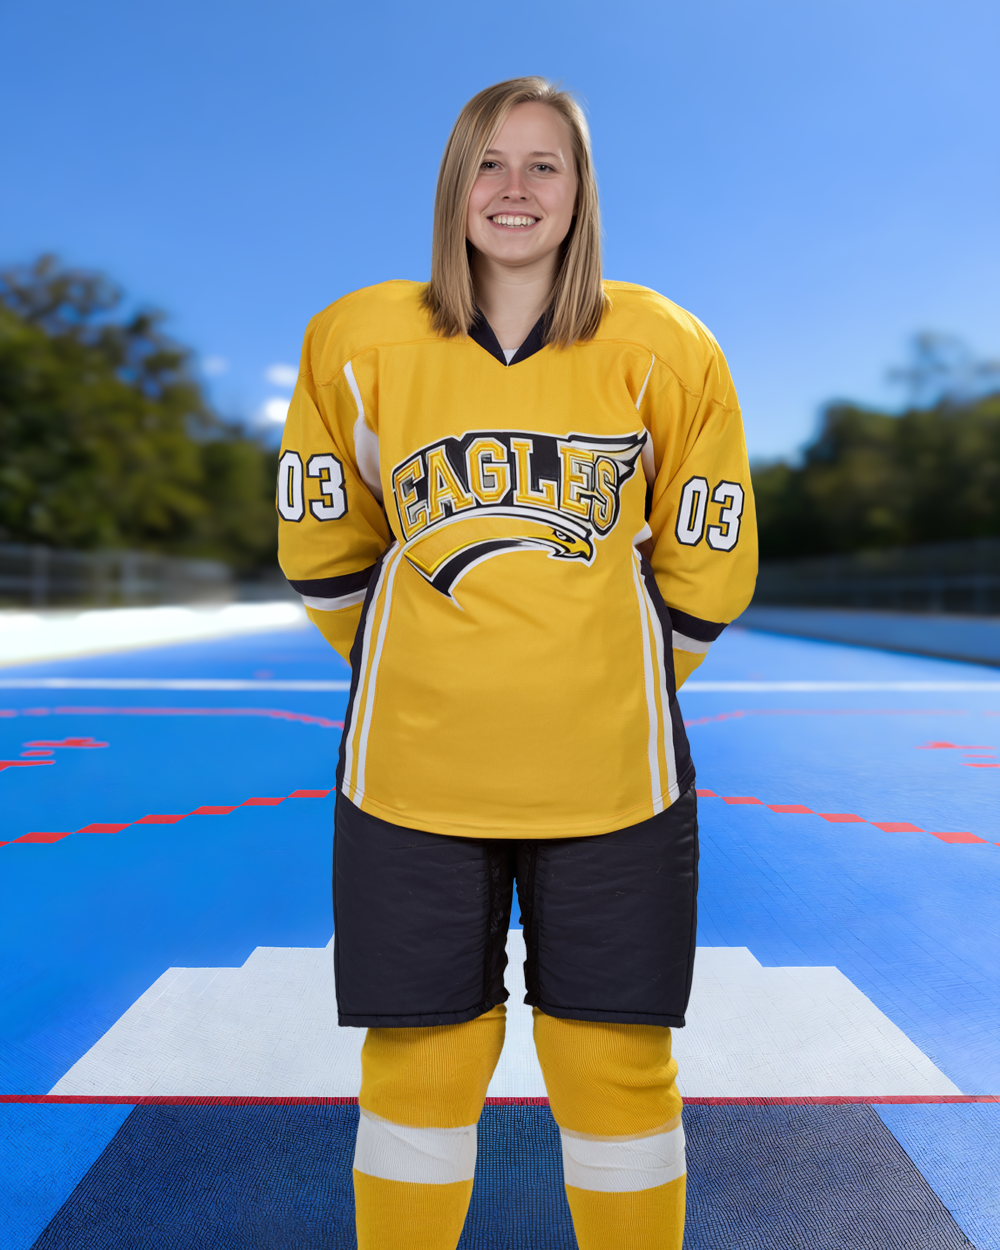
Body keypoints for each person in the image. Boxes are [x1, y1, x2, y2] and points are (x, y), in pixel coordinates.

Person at [277, 76, 756, 1250]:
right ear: (453, 184)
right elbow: (326, 548)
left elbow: (708, 556)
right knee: (419, 1066)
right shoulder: (358, 338)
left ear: (582, 191)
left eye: (545, 164)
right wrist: (432, 670)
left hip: (613, 778)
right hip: (411, 773)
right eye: (489, 162)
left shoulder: (665, 342)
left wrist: (608, 676)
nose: (514, 189)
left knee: (618, 1066)